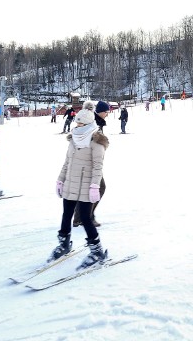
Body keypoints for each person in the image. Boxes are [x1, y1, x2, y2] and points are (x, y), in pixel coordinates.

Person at [50, 103, 110, 270]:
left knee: (85, 217)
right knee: (66, 214)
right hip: (71, 182)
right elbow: (67, 162)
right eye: (77, 123)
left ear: (89, 124)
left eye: (81, 124)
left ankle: (96, 250)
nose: (77, 126)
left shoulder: (96, 141)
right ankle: (64, 244)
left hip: (86, 184)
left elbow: (98, 166)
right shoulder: (74, 139)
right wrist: (60, 180)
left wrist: (94, 186)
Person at [73, 100, 109, 227]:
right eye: (106, 112)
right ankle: (86, 217)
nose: (107, 114)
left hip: (85, 161)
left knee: (87, 190)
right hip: (90, 162)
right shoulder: (94, 123)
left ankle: (80, 218)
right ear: (100, 112)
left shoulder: (94, 121)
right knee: (99, 187)